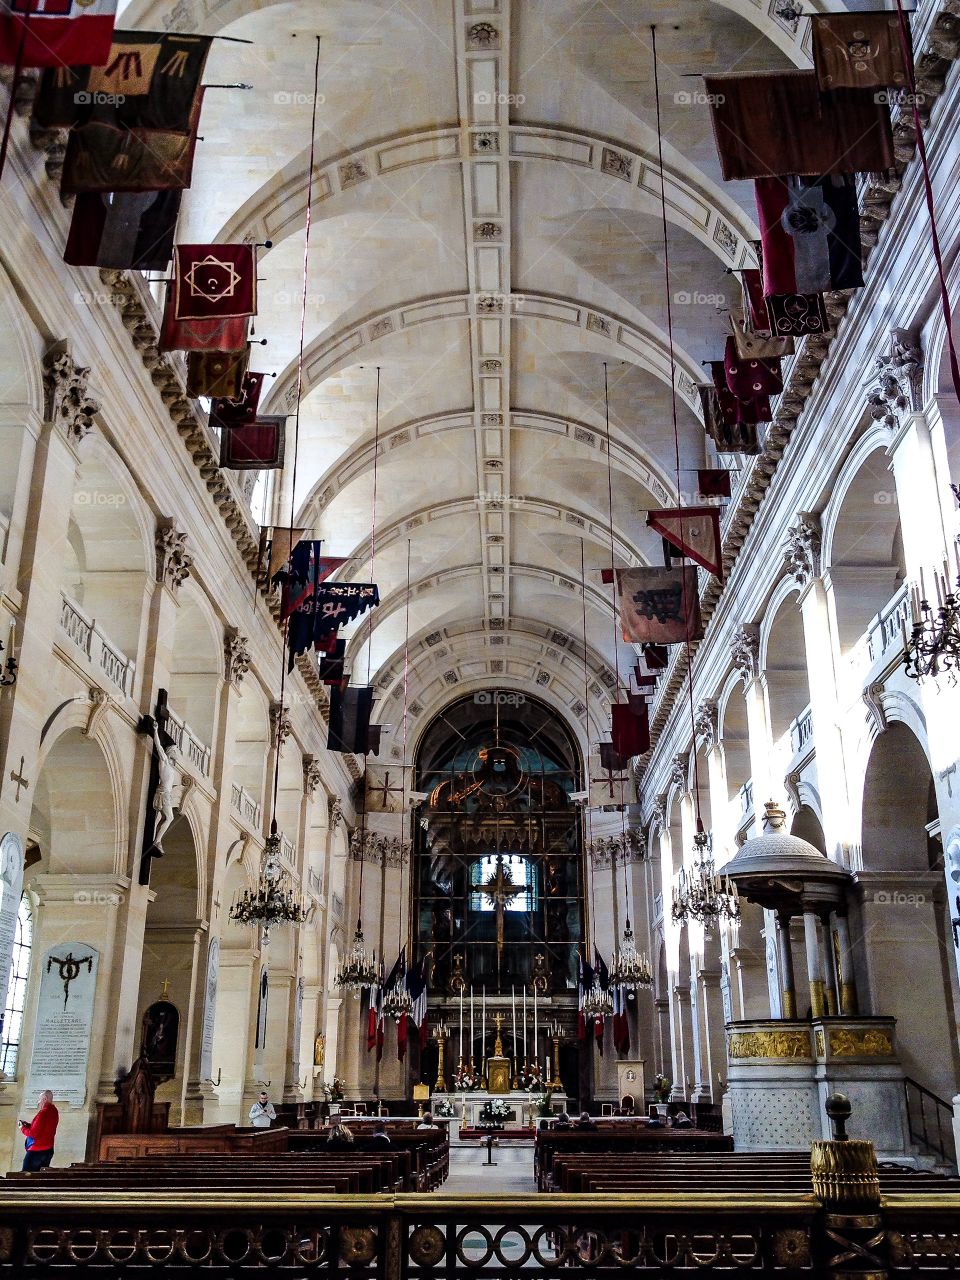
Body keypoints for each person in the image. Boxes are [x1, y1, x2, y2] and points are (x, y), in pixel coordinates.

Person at [19, 1090, 59, 1172]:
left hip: (37, 1151)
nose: (38, 1102)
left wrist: (22, 1128)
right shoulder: (54, 1111)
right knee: (39, 1177)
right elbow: (44, 1128)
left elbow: (33, 1133)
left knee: (25, 1177)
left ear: (45, 1099)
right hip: (48, 1151)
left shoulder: (43, 1113)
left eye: (39, 1099)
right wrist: (29, 1125)